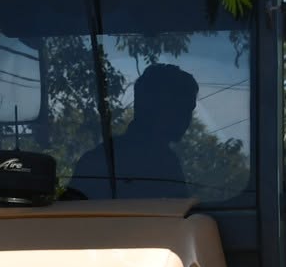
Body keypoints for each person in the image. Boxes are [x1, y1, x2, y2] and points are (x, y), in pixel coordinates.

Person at [68, 63, 199, 199]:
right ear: (157, 107)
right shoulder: (99, 163)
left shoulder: (167, 162)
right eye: (184, 108)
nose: (187, 118)